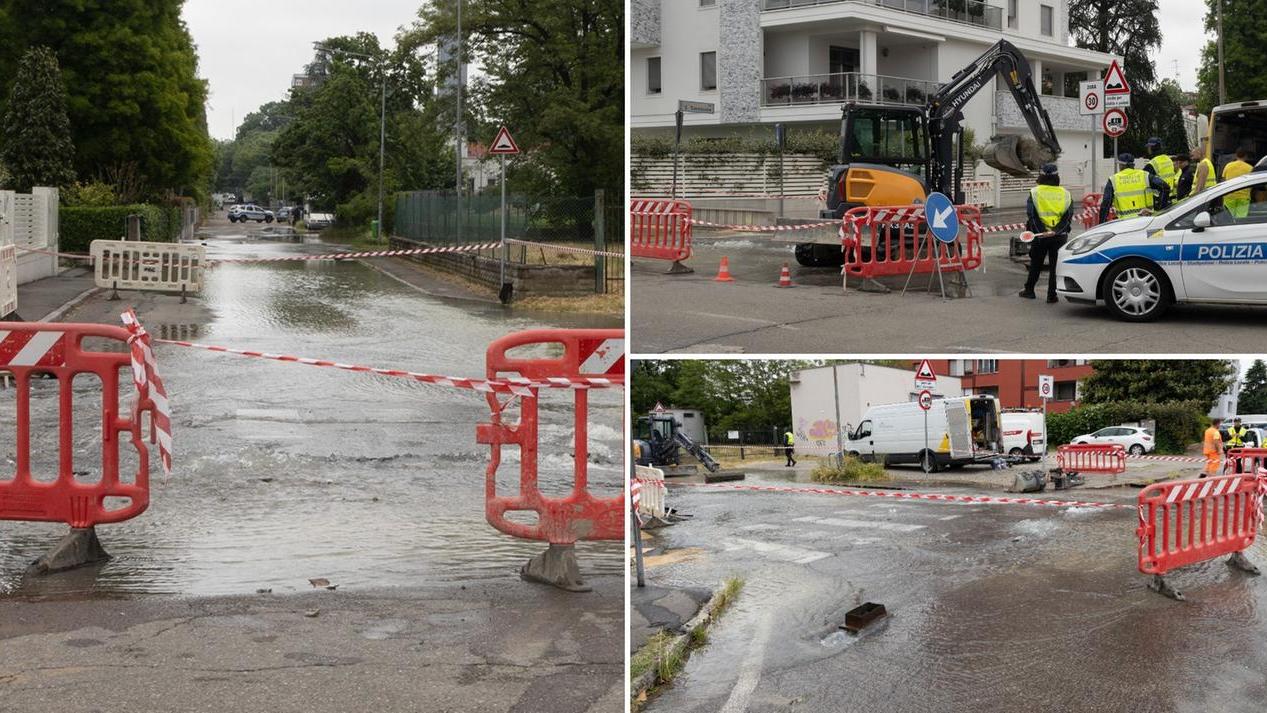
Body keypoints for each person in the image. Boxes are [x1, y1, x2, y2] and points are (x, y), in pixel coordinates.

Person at [1019, 163, 1072, 303]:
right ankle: (1052, 295)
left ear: (1041, 175)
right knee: (1055, 266)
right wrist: (1056, 231)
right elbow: (1068, 217)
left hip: (1040, 236)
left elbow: (1032, 215)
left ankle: (1029, 290)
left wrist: (1042, 232)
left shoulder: (1035, 192)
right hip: (1059, 236)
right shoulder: (1065, 194)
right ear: (1057, 176)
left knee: (1036, 263)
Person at [1099, 153, 1169, 224]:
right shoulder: (1145, 175)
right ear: (1133, 165)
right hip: (1146, 221)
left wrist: (1101, 223)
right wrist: (1160, 210)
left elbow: (1106, 203)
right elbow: (1165, 187)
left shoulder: (1113, 180)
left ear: (1121, 165)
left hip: (1125, 224)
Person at [1221, 148, 1254, 218]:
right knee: (1241, 219)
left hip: (1229, 195)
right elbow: (1252, 183)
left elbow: (1223, 180)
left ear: (1236, 155)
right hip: (1244, 197)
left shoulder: (1228, 166)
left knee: (1229, 219)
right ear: (1246, 156)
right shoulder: (1250, 168)